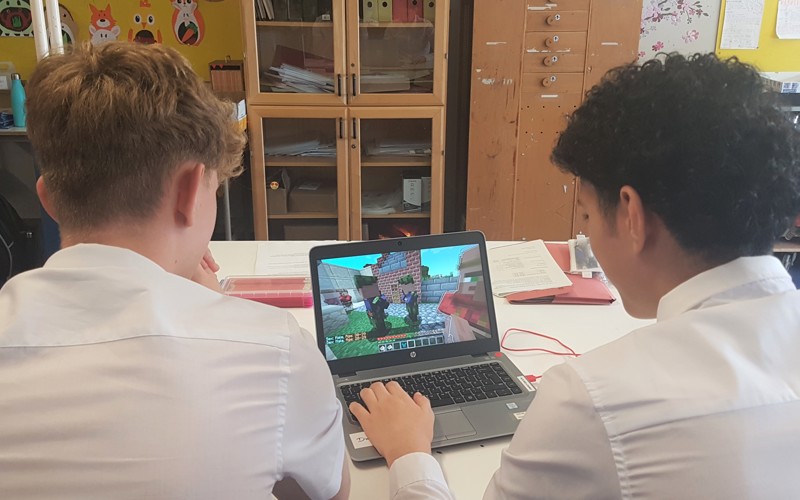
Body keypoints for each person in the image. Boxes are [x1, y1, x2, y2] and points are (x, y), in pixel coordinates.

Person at [349, 53, 800, 498]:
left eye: (584, 214)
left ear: (631, 215)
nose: (585, 234)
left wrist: (409, 452)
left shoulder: (595, 398)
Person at [0, 42, 349, 500]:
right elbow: (330, 493)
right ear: (189, 193)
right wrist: (219, 309)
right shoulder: (276, 351)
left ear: (47, 199)